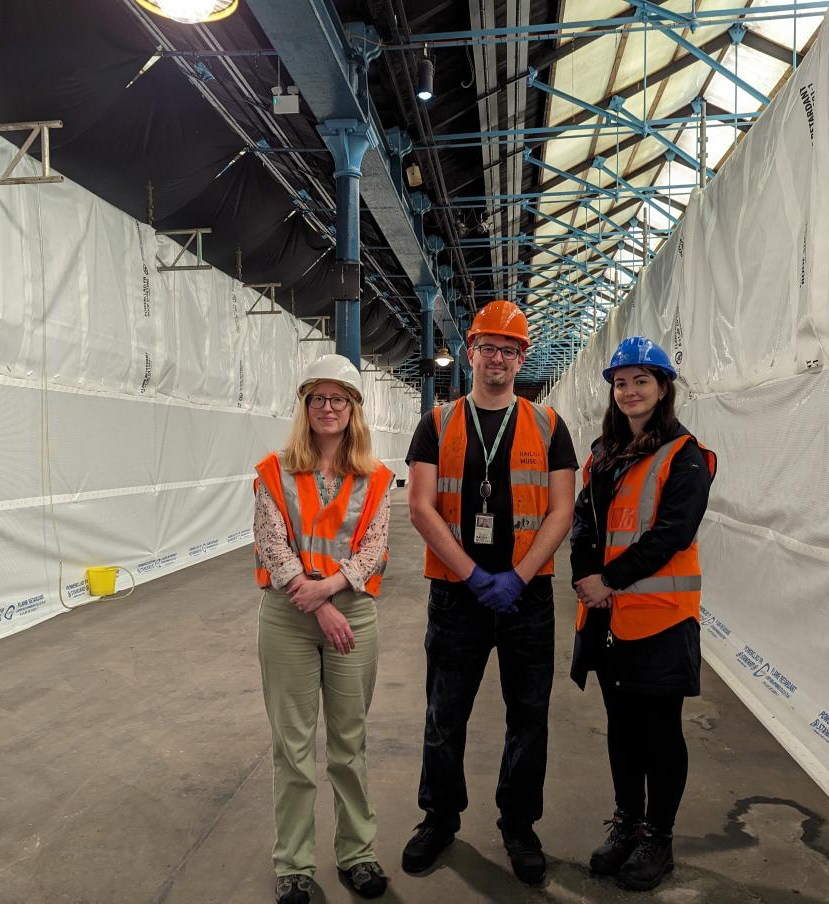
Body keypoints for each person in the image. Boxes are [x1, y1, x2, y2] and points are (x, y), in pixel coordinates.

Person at [402, 300, 578, 885]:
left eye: (509, 349)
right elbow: (420, 508)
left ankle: (519, 824)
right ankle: (439, 818)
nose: (497, 358)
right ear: (471, 351)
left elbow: (562, 509)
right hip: (457, 594)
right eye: (488, 347)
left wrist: (518, 576)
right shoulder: (438, 422)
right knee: (444, 714)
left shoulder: (549, 425)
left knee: (529, 716)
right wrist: (475, 576)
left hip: (526, 596)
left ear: (521, 358)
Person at [569, 336, 717, 892]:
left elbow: (673, 532)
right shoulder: (603, 454)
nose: (630, 391)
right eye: (621, 382)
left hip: (660, 617)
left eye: (641, 381)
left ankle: (659, 836)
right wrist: (590, 581)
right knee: (622, 728)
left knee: (659, 731)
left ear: (662, 388)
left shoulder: (685, 456)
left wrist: (608, 579)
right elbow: (586, 522)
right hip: (607, 617)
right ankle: (627, 822)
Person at [252, 354, 395, 904]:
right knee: (292, 747)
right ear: (305, 407)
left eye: (339, 398)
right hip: (291, 614)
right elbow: (271, 542)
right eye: (318, 398)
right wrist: (318, 603)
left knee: (348, 743)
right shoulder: (273, 470)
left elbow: (375, 549)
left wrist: (330, 591)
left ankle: (357, 854)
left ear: (354, 408)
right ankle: (294, 864)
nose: (328, 407)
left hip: (349, 610)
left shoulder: (377, 477)